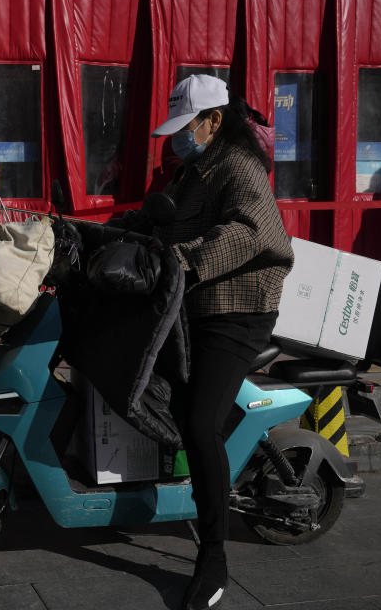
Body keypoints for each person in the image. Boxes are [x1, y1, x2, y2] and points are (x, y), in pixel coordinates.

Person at [138, 74, 294, 609]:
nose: (180, 137)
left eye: (187, 126)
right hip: (194, 308)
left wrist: (183, 262)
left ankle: (214, 556)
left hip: (239, 310)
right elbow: (159, 221)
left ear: (213, 120)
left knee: (201, 423)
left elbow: (251, 231)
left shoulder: (239, 167)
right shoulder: (193, 169)